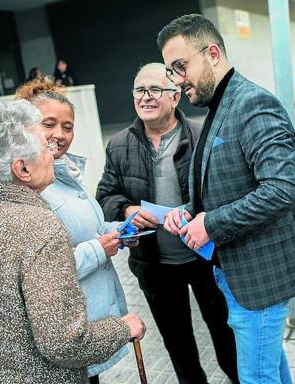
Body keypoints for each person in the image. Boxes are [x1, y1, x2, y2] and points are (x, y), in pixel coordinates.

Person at [158, 14, 295, 384]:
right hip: (237, 275)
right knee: (270, 368)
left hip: (259, 279)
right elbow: (226, 184)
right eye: (172, 71)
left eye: (180, 67)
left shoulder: (252, 103)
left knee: (256, 377)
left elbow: (282, 188)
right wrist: (187, 212)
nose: (177, 81)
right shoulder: (220, 104)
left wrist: (210, 224)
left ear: (212, 53)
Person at [0, 100, 146, 384]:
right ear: (22, 169)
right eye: (44, 147)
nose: (54, 151)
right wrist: (122, 328)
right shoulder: (39, 227)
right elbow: (65, 342)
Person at [96, 63, 239, 384]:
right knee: (178, 345)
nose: (145, 97)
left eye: (154, 90)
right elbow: (105, 196)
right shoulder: (120, 145)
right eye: (139, 90)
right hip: (155, 265)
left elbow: (227, 193)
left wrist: (197, 212)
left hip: (208, 259)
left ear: (175, 97)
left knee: (225, 335)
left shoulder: (204, 136)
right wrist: (128, 208)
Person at [14, 78, 138, 384]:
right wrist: (100, 248)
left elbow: (89, 230)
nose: (59, 134)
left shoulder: (65, 172)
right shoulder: (30, 184)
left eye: (67, 126)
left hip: (87, 322)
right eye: (49, 124)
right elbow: (43, 270)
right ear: (28, 127)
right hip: (65, 327)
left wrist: (118, 231)